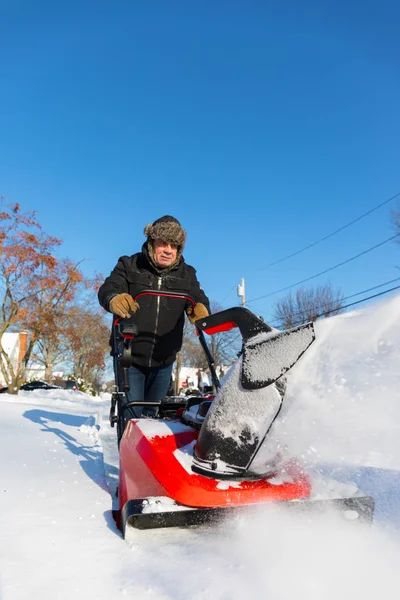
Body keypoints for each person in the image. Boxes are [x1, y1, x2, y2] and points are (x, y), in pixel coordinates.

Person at [98, 215, 210, 419]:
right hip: (129, 355)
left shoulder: (187, 274)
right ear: (152, 243)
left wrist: (201, 308)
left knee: (155, 415)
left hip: (164, 357)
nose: (168, 250)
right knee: (132, 414)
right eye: (163, 243)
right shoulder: (129, 264)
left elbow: (198, 297)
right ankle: (128, 447)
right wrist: (114, 298)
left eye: (174, 245)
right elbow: (109, 288)